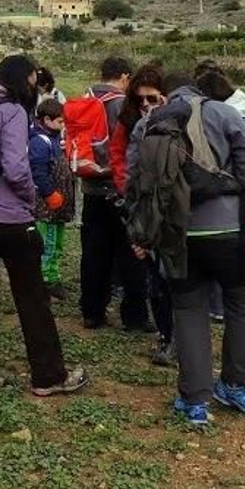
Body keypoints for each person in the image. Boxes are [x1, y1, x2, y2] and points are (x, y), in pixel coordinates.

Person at [128, 71, 245, 426]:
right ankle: (236, 385)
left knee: (189, 311)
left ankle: (194, 401)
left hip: (176, 236)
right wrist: (243, 204)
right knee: (244, 304)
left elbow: (136, 179)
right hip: (229, 229)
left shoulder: (150, 123)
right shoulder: (224, 113)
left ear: (168, 94)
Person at [0, 54, 88, 398]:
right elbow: (15, 167)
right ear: (21, 80)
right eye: (33, 80)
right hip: (9, 218)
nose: (35, 87)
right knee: (31, 296)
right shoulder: (11, 110)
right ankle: (48, 375)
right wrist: (31, 198)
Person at [195, 62, 245, 321]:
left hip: (237, 190)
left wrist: (241, 190)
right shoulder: (244, 110)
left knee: (240, 248)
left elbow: (240, 158)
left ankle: (230, 306)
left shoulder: (227, 115)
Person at [112, 65, 173, 362]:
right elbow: (118, 154)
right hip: (141, 206)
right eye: (140, 100)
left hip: (172, 207)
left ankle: (176, 334)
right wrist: (127, 190)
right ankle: (165, 335)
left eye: (152, 99)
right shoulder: (129, 122)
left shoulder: (177, 121)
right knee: (151, 270)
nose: (146, 105)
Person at [76, 56, 140, 330]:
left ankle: (92, 311)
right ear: (125, 77)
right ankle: (134, 316)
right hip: (118, 187)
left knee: (93, 252)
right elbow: (128, 146)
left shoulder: (84, 99)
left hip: (90, 187)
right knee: (129, 252)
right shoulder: (119, 104)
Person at [28, 97, 72, 299]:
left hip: (58, 204)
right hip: (47, 206)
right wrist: (49, 194)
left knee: (56, 243)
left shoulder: (54, 138)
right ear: (47, 119)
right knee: (48, 244)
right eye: (60, 121)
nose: (63, 125)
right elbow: (38, 172)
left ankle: (50, 276)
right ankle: (45, 280)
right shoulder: (39, 142)